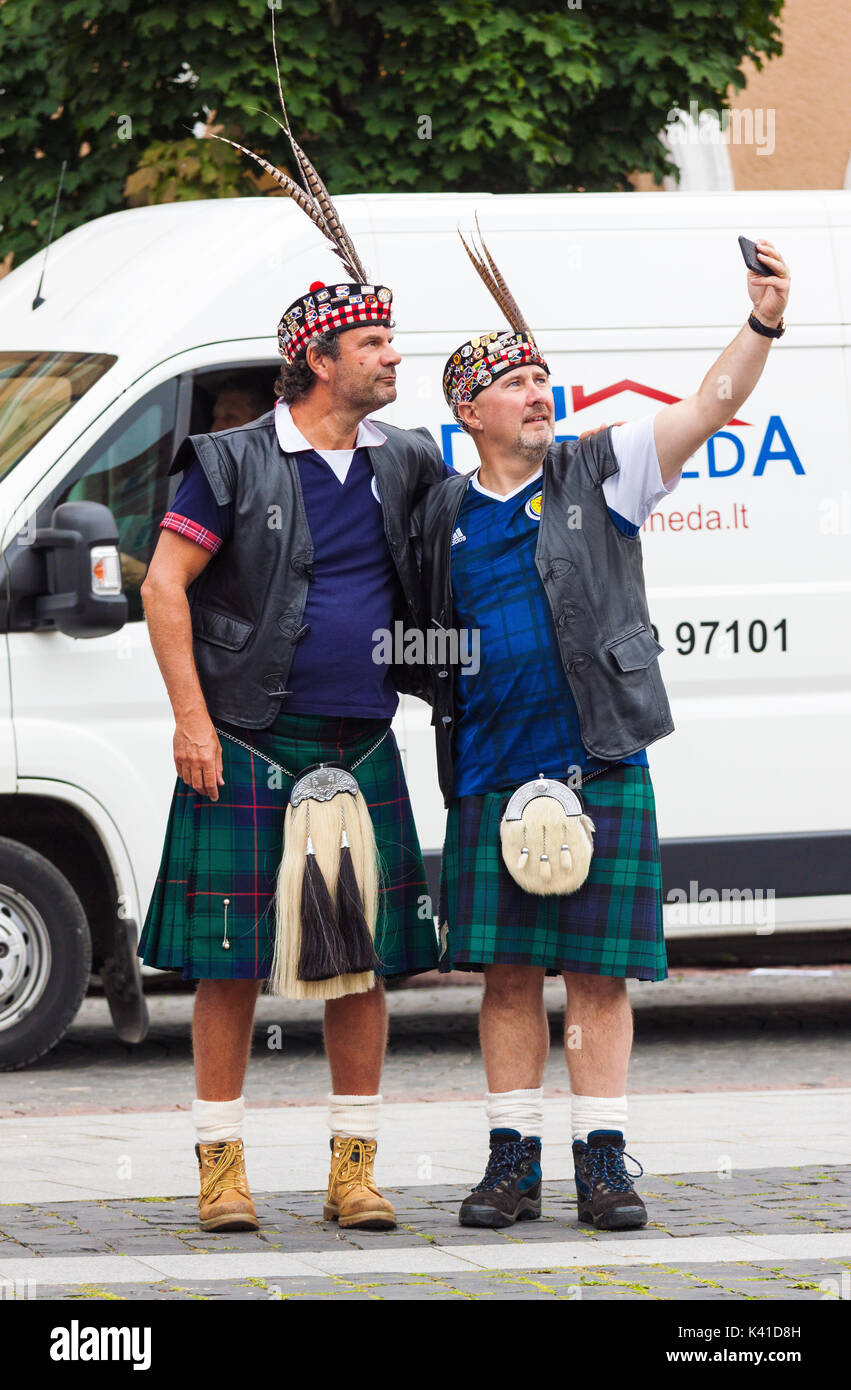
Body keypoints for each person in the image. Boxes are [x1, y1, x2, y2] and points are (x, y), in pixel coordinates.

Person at [414, 225, 790, 1231]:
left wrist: (759, 323)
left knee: (596, 972)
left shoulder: (601, 473)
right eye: (515, 385)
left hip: (598, 761)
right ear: (469, 411)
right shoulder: (440, 513)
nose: (539, 394)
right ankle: (509, 1163)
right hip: (491, 770)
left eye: (543, 380)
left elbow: (708, 408)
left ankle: (602, 1160)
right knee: (501, 975)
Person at [137, 116, 446, 1237]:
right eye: (373, 345)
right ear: (317, 358)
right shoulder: (226, 461)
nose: (391, 358)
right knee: (228, 970)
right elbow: (162, 588)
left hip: (360, 744)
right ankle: (221, 1172)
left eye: (391, 343)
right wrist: (191, 719)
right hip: (249, 740)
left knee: (357, 968)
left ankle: (352, 1171)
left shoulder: (407, 460)